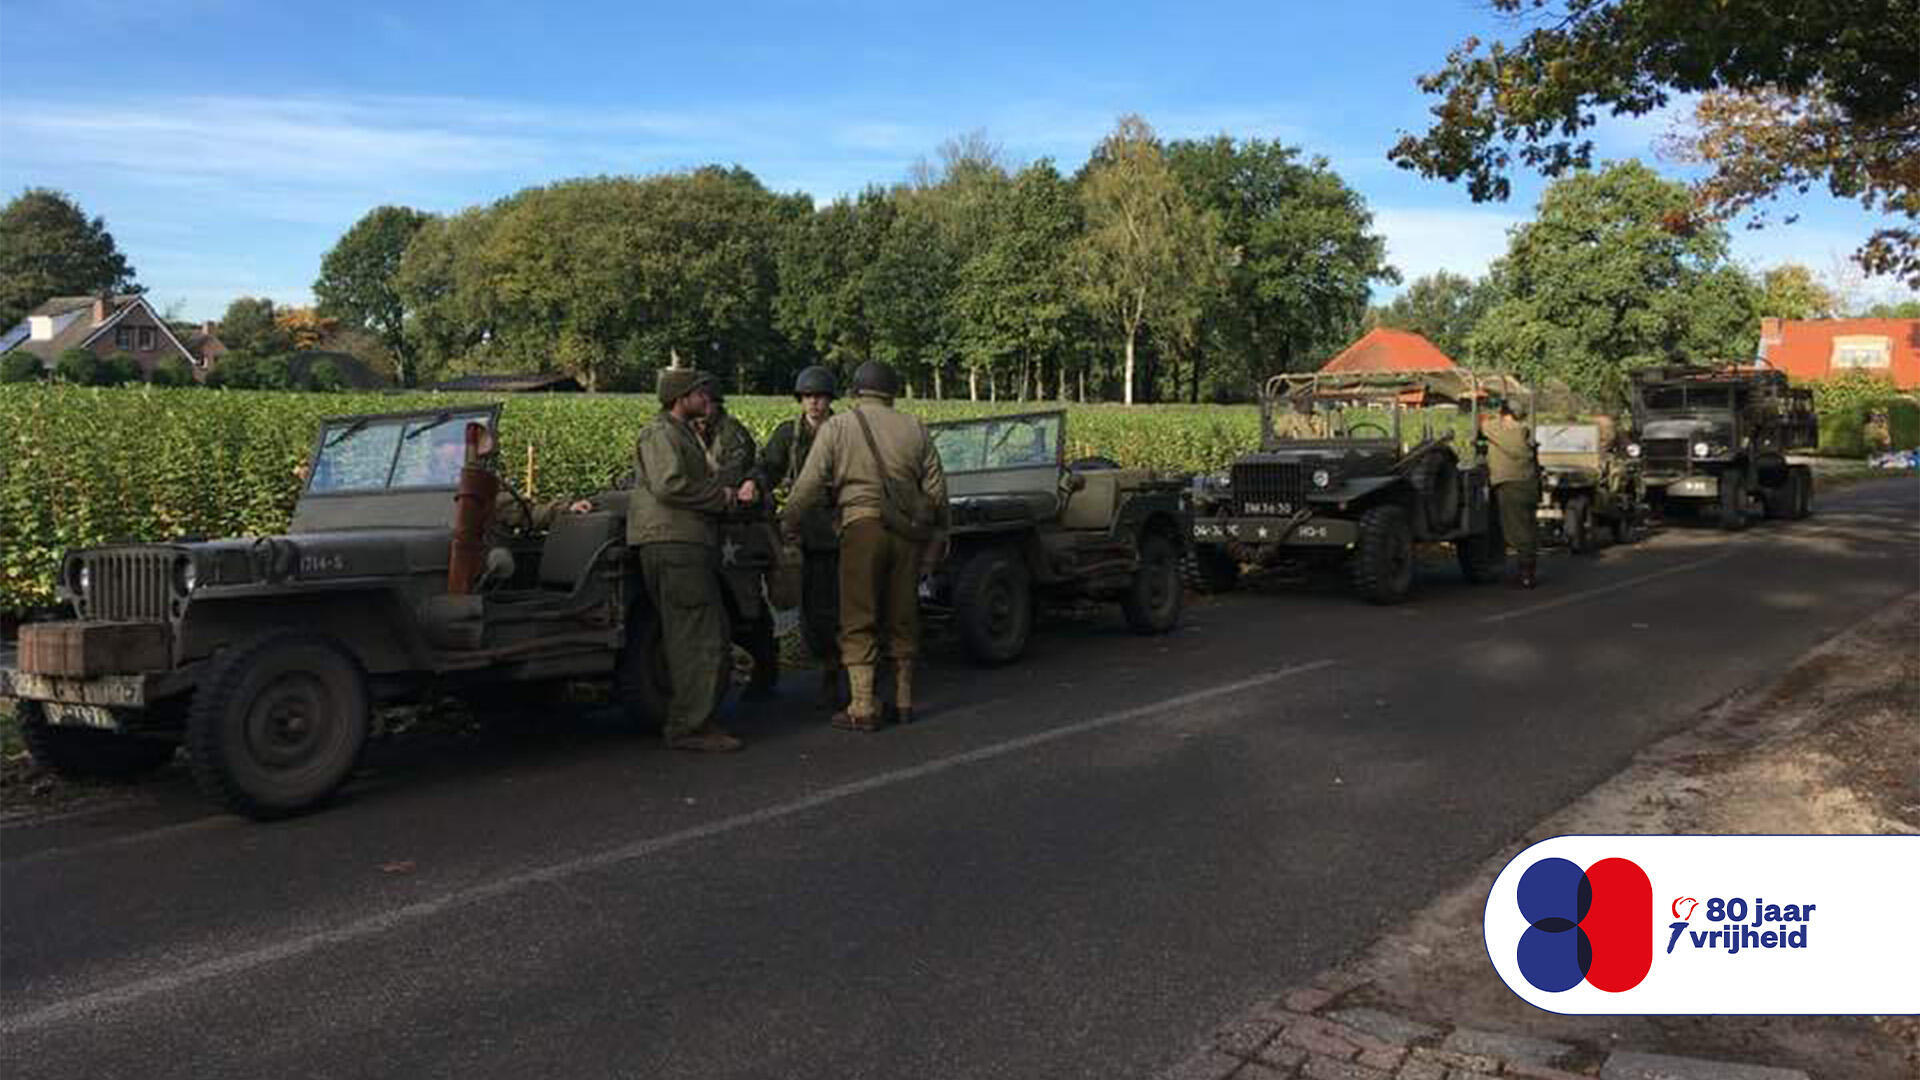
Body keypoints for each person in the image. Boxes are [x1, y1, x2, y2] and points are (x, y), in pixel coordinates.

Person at [782, 359, 948, 731]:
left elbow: (808, 484)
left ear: (856, 391)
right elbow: (936, 491)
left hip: (860, 529)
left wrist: (788, 521)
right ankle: (904, 701)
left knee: (858, 615)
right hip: (906, 534)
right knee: (903, 613)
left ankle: (861, 705)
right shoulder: (915, 426)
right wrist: (939, 534)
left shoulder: (839, 427)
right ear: (892, 391)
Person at [628, 368, 751, 752]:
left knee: (687, 634)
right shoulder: (662, 433)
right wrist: (722, 498)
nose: (706, 397)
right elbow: (670, 484)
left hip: (677, 542)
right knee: (700, 636)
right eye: (699, 392)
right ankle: (691, 726)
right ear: (682, 397)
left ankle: (689, 719)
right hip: (676, 542)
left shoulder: (677, 432)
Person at [760, 365, 843, 708]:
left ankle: (845, 666)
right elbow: (768, 468)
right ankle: (829, 663)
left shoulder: (845, 431)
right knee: (812, 609)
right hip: (803, 532)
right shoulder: (788, 435)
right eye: (808, 397)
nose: (814, 403)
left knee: (844, 606)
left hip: (842, 528)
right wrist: (755, 486)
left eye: (820, 397)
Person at [692, 388, 780, 700]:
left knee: (747, 604)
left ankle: (766, 667)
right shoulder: (687, 431)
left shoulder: (732, 434)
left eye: (706, 401)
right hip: (708, 525)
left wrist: (694, 487)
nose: (701, 409)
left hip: (737, 528)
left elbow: (732, 474)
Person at [1484, 396, 1541, 589]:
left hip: (1510, 486)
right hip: (1528, 485)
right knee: (1527, 527)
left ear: (1506, 415)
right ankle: (1528, 568)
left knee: (1515, 531)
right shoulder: (1524, 432)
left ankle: (1526, 573)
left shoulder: (1500, 431)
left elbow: (1482, 425)